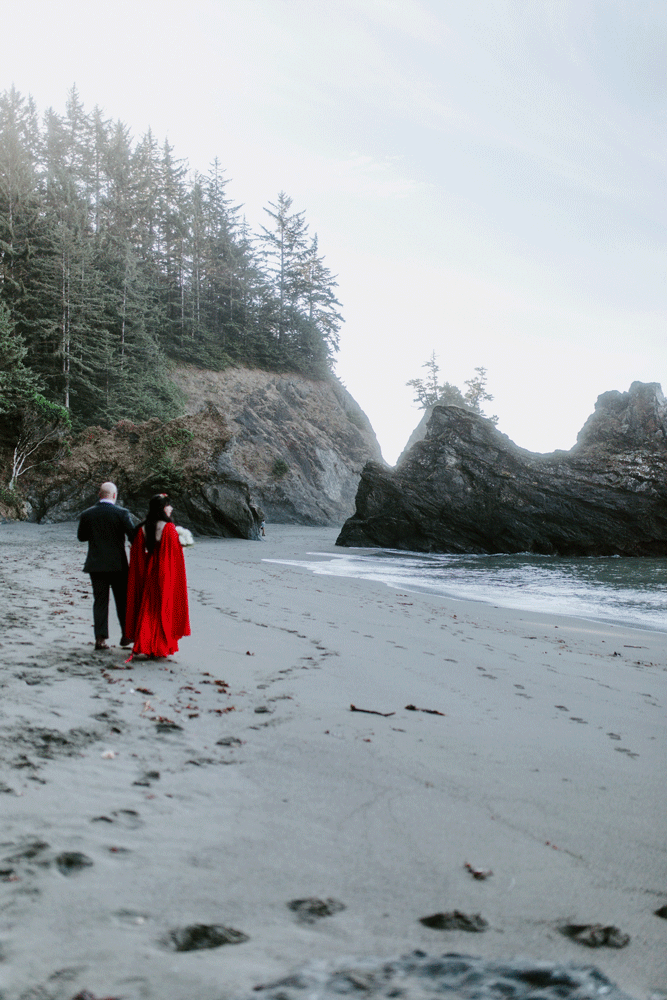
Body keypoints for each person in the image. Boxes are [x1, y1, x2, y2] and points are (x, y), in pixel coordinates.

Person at [125, 494, 190, 658]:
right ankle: (157, 646)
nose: (171, 508)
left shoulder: (143, 527)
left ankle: (146, 644)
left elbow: (137, 553)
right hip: (163, 572)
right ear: (162, 508)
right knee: (161, 609)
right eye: (168, 505)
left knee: (148, 608)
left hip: (148, 571)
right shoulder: (168, 528)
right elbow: (172, 555)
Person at [77, 481, 137, 650]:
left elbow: (81, 537)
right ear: (114, 496)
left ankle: (100, 638)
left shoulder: (87, 513)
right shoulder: (122, 513)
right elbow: (133, 536)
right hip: (118, 565)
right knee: (122, 601)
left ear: (99, 494)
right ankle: (126, 635)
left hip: (96, 564)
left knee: (100, 602)